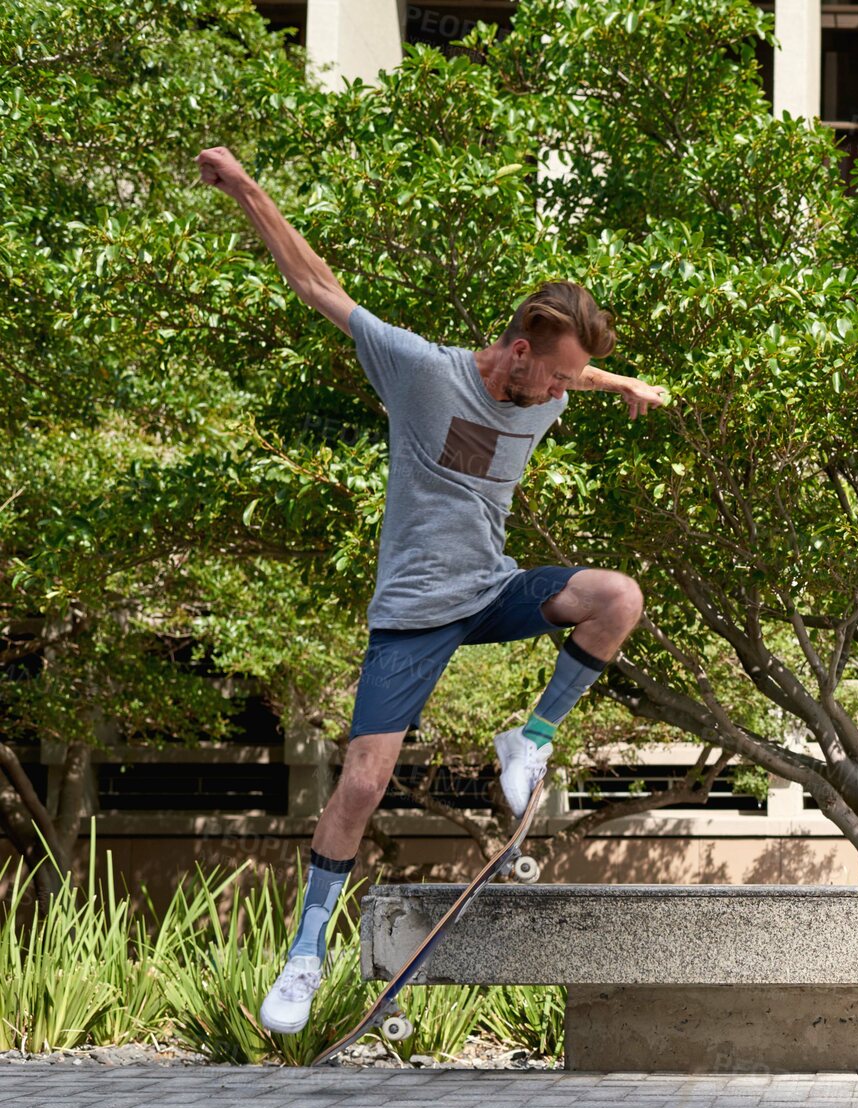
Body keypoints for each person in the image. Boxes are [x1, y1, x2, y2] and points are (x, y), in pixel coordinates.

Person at [196, 146, 667, 1035]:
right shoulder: (421, 371)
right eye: (557, 378)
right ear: (518, 351)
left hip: (490, 591)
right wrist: (249, 188)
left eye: (573, 383)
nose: (562, 397)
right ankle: (305, 951)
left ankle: (526, 740)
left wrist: (625, 382)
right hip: (412, 613)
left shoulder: (553, 389)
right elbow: (317, 286)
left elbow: (583, 372)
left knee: (619, 599)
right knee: (363, 785)